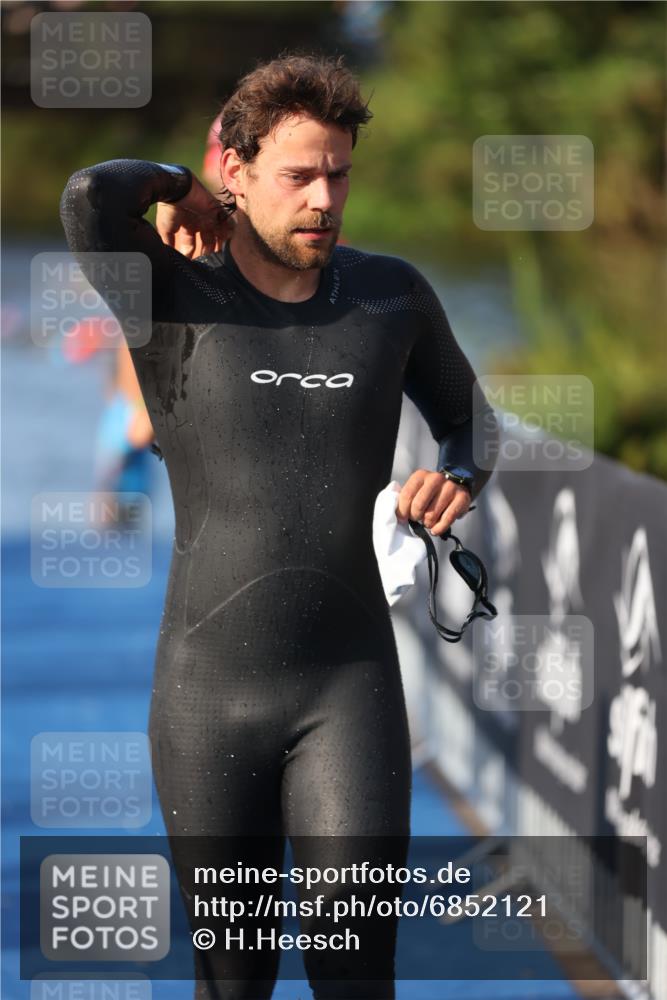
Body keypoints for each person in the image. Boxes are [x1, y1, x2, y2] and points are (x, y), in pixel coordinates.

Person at [60, 52, 498, 1000]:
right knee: (235, 983)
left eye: (338, 172)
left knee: (355, 972)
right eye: (298, 173)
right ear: (239, 173)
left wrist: (455, 476)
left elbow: (471, 419)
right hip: (206, 697)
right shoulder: (172, 298)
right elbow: (91, 199)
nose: (323, 197)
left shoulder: (390, 298)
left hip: (350, 691)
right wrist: (180, 189)